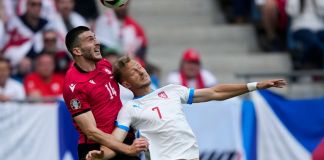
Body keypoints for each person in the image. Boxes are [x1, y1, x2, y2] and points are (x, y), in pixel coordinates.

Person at [86, 56, 287, 160]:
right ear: (127, 84)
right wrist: (101, 155)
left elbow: (215, 92)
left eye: (140, 67)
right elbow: (114, 141)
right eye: (134, 71)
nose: (141, 71)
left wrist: (254, 86)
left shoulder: (172, 90)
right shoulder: (130, 108)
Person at [62, 26, 148, 160]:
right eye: (90, 40)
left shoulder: (104, 64)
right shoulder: (74, 86)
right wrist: (128, 149)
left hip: (122, 137)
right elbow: (91, 132)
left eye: (95, 38)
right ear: (77, 51)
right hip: (96, 149)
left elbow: (130, 85)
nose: (97, 42)